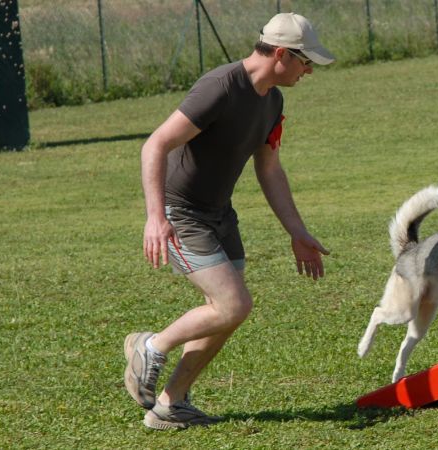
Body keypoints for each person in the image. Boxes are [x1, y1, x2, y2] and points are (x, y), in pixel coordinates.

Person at [123, 12, 335, 430]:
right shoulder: (219, 87)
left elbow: (270, 169)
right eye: (305, 61)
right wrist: (155, 217)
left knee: (226, 311)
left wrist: (297, 232)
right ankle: (150, 345)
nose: (309, 70)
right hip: (180, 211)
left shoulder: (273, 100)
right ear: (280, 54)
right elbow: (156, 145)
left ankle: (171, 403)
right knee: (233, 304)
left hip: (219, 213)